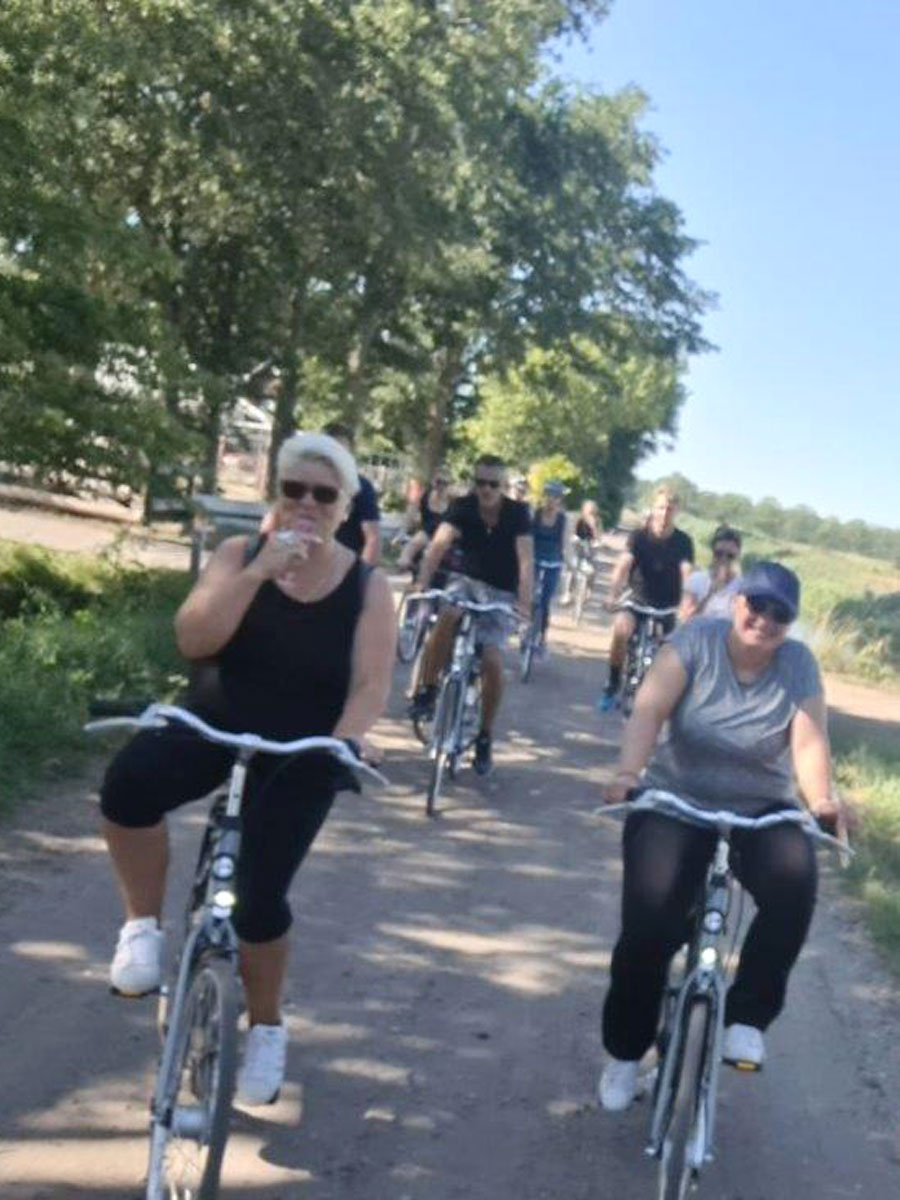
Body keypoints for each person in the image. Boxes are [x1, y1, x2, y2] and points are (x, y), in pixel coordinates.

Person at [99, 432, 396, 1106]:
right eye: (294, 490)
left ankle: (264, 1026)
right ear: (276, 494)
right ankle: (142, 928)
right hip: (215, 722)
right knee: (128, 786)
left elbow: (370, 685)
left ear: (345, 506)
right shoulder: (240, 554)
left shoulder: (367, 587)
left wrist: (344, 742)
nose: (307, 504)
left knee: (260, 900)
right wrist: (259, 573)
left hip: (300, 750)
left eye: (324, 495)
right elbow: (192, 638)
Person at [597, 562, 850, 1111]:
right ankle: (625, 1053)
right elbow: (650, 709)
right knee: (649, 924)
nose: (765, 619)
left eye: (780, 613)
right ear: (736, 602)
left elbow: (808, 743)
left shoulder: (798, 665)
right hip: (676, 798)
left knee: (795, 881)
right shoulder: (696, 642)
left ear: (790, 622)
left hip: (761, 808)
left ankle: (747, 1018)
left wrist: (822, 801)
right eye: (756, 605)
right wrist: (628, 773)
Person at [410, 453, 533, 776]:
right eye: (480, 482)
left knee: (492, 659)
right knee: (447, 614)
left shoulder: (518, 513)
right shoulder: (462, 507)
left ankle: (484, 735)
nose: (486, 489)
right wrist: (422, 581)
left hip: (502, 592)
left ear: (502, 485)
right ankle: (427, 690)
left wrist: (524, 604)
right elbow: (438, 545)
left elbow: (525, 560)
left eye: (493, 484)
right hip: (466, 581)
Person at [598, 485, 694, 712]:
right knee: (621, 630)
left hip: (667, 606)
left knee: (670, 653)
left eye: (669, 509)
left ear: (676, 511)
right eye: (661, 507)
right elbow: (623, 565)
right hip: (637, 600)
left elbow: (687, 572)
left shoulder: (683, 541)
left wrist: (688, 604)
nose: (664, 513)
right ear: (653, 508)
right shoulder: (639, 536)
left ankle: (661, 703)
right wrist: (613, 593)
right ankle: (612, 683)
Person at [323, 421, 381, 566]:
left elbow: (373, 539)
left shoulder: (361, 487)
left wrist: (361, 576)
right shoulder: (305, 482)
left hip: (344, 567)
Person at [531, 480, 567, 652]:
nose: (551, 500)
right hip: (534, 560)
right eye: (549, 496)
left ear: (560, 500)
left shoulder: (562, 520)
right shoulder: (536, 514)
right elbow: (527, 537)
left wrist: (568, 563)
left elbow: (564, 544)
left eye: (555, 497)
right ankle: (523, 627)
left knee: (545, 602)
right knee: (528, 595)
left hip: (553, 563)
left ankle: (542, 638)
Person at [681, 524, 742, 621]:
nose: (723, 559)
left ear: (737, 556)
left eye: (730, 556)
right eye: (719, 553)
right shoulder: (696, 579)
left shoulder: (743, 587)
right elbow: (686, 619)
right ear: (712, 552)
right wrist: (711, 593)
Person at [397, 468, 453, 575]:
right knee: (414, 544)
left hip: (443, 535)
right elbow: (411, 513)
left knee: (433, 550)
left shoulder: (452, 500)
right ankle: (404, 563)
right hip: (426, 532)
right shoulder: (424, 496)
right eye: (438, 482)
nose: (441, 486)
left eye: (445, 483)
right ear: (433, 482)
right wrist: (402, 532)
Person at [561, 500, 602, 605]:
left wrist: (594, 527)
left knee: (594, 568)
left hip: (591, 546)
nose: (590, 512)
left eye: (592, 510)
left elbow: (598, 537)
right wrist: (574, 538)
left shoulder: (597, 521)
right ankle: (568, 593)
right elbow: (574, 532)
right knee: (572, 567)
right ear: (584, 510)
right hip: (579, 545)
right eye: (588, 510)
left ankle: (589, 591)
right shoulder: (579, 519)